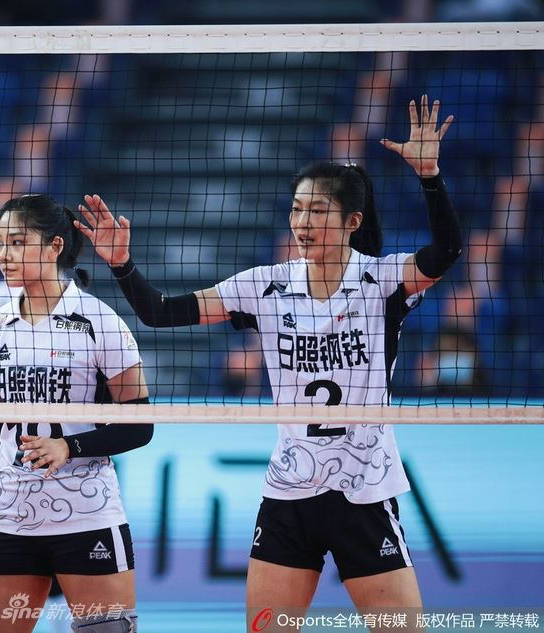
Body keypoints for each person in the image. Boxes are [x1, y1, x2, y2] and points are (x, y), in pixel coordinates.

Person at [76, 96, 462, 630]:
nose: (303, 222)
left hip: (364, 488)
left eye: (318, 211)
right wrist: (122, 265)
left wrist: (430, 177)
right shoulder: (265, 285)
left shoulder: (384, 281)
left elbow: (446, 252)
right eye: (297, 209)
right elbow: (159, 312)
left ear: (353, 221)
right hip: (289, 492)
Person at [0, 194, 153, 633]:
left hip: (87, 514)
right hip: (10, 516)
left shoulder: (100, 322)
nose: (4, 254)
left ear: (55, 246)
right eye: (0, 242)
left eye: (18, 242)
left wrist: (68, 446)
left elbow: (140, 426)